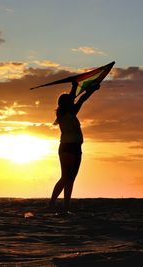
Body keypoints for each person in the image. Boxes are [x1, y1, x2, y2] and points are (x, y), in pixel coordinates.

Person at [49, 80, 100, 212]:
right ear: (65, 103)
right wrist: (75, 86)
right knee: (65, 177)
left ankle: (66, 206)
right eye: (69, 101)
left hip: (76, 147)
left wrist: (91, 89)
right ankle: (52, 203)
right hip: (67, 147)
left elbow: (80, 99)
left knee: (71, 178)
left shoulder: (71, 112)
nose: (72, 101)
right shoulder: (63, 114)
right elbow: (77, 98)